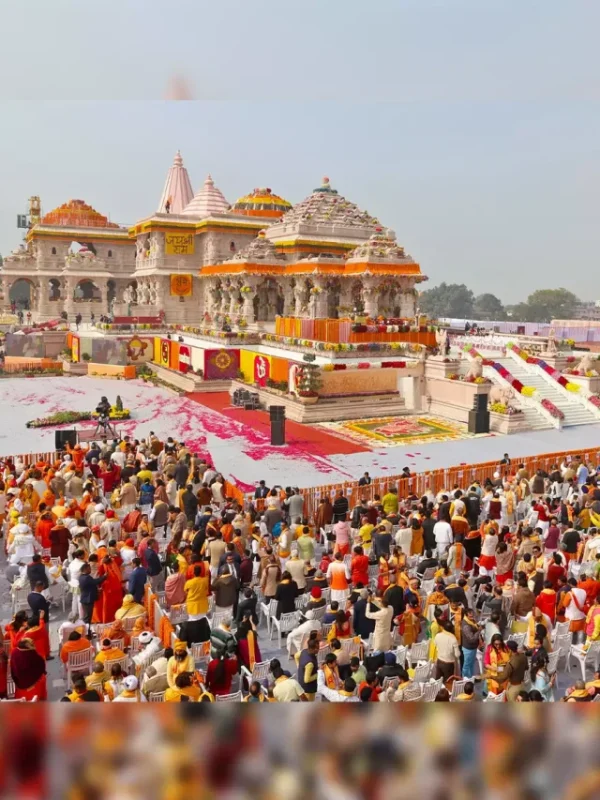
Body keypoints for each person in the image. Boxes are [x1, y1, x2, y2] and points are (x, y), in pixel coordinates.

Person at [78, 563, 108, 634]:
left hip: (86, 599)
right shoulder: (86, 578)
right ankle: (86, 633)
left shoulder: (82, 577)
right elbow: (95, 582)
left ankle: (87, 631)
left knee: (87, 617)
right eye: (89, 569)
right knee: (87, 618)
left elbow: (90, 585)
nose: (90, 570)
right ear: (85, 569)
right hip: (87, 600)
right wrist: (104, 576)